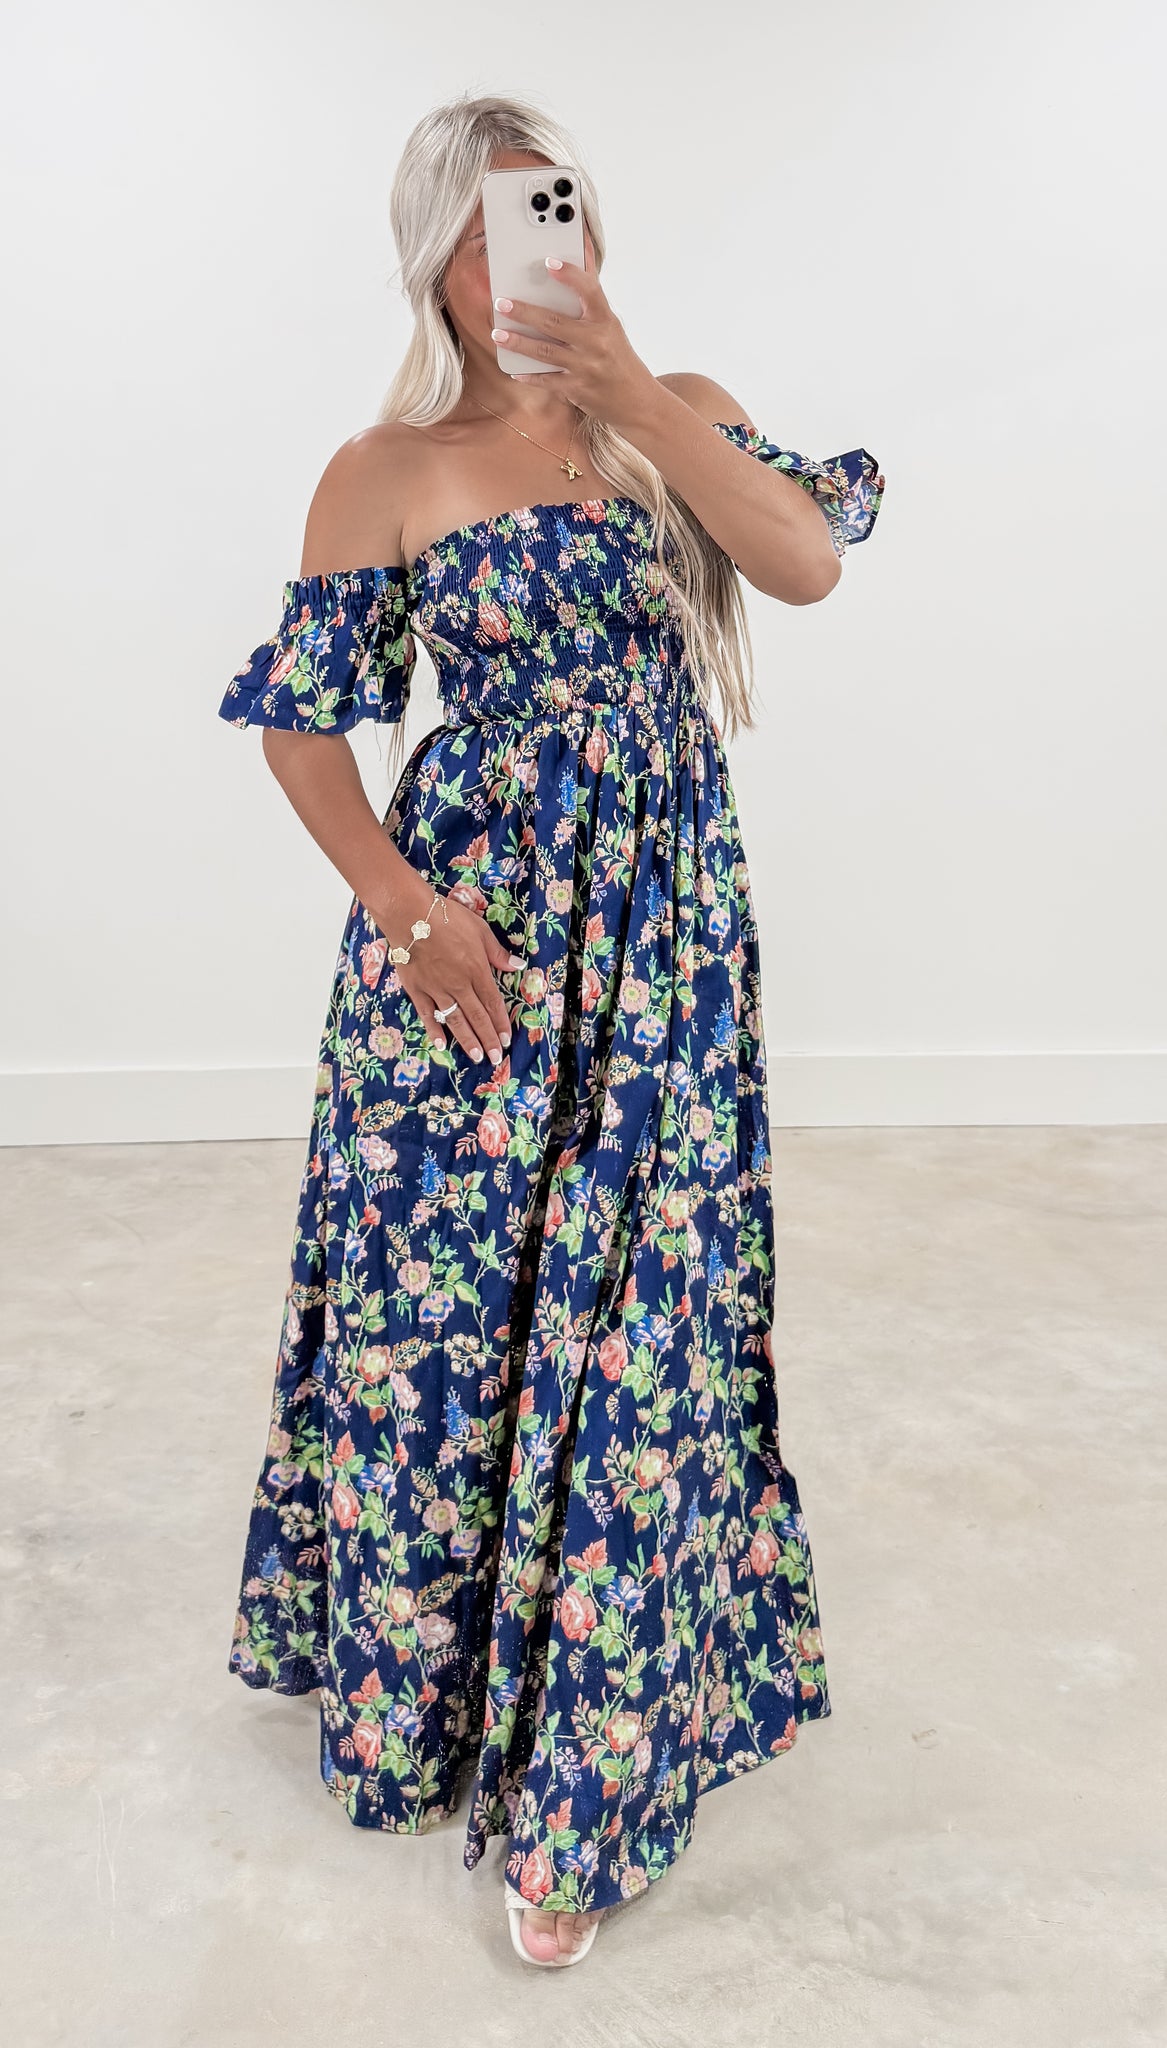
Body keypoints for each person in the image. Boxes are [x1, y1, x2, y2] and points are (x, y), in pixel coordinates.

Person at [217, 91, 884, 1969]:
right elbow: (305, 729)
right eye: (498, 227)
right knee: (441, 1342)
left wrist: (636, 394)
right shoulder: (386, 467)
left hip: (664, 954)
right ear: (437, 257)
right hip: (477, 960)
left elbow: (810, 562)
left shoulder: (674, 411)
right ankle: (430, 1705)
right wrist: (407, 911)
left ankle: (582, 1794)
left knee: (641, 1342)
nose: (539, 252)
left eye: (560, 212)